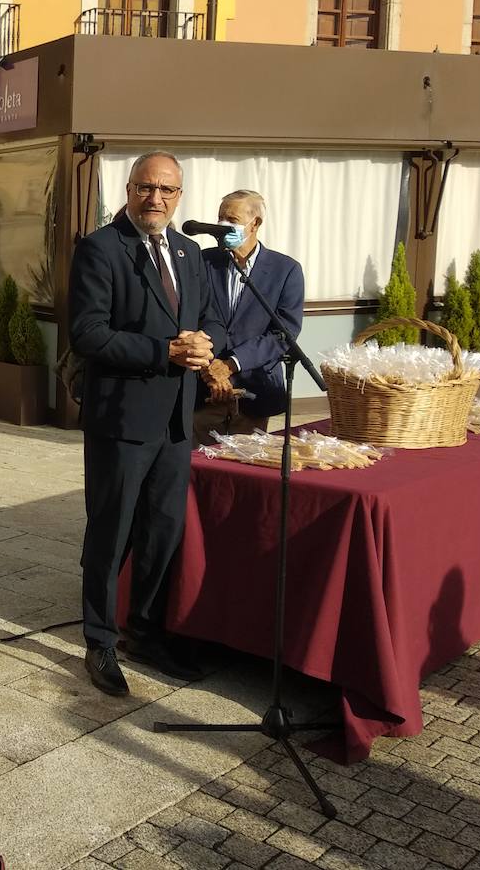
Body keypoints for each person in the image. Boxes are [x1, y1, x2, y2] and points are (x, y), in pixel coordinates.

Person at [69, 150, 228, 698]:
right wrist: (164, 351)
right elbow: (88, 333)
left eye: (167, 191)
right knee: (111, 532)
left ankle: (146, 631)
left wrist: (209, 344)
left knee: (164, 532)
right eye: (146, 188)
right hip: (121, 418)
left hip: (176, 421)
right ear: (130, 188)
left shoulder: (189, 251)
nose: (156, 199)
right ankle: (99, 639)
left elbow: (210, 318)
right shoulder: (100, 249)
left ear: (180, 197)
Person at [194, 190, 304, 443]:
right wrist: (210, 369)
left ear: (255, 224)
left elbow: (283, 333)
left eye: (231, 220)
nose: (222, 226)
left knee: (245, 468)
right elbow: (191, 318)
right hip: (204, 389)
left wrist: (231, 364)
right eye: (220, 218)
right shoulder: (203, 262)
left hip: (254, 392)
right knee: (199, 468)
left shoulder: (285, 270)